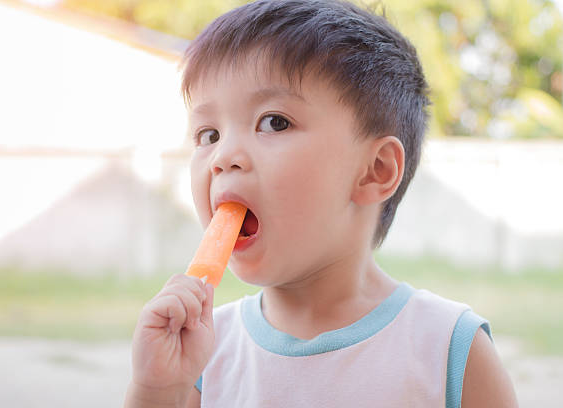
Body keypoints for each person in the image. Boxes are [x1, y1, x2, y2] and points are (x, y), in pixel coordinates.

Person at [124, 1, 518, 407]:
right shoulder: (203, 354)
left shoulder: (448, 350)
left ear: (375, 170)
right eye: (208, 134)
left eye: (274, 122)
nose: (223, 156)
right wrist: (157, 391)